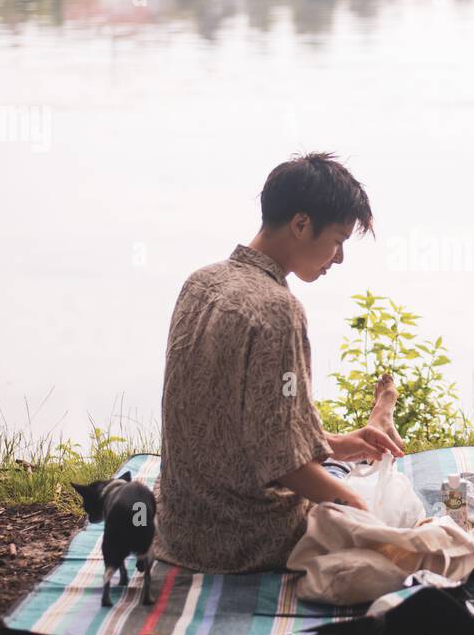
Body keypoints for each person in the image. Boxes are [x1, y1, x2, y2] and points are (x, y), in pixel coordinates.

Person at [152, 152, 405, 574]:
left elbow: (240, 426)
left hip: (179, 529)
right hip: (246, 541)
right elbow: (285, 464)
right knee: (401, 522)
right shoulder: (277, 310)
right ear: (302, 224)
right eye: (338, 240)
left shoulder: (200, 282)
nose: (339, 258)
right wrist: (361, 512)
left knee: (354, 478)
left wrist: (341, 443)